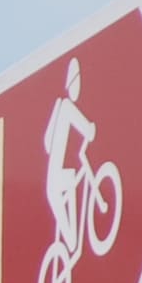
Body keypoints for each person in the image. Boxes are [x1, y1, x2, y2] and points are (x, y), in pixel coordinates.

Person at [40, 59, 97, 249]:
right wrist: (89, 130)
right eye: (76, 82)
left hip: (58, 176)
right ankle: (71, 246)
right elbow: (80, 123)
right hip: (56, 180)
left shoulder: (60, 108)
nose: (77, 87)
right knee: (72, 241)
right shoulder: (65, 106)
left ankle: (73, 244)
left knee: (73, 178)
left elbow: (47, 144)